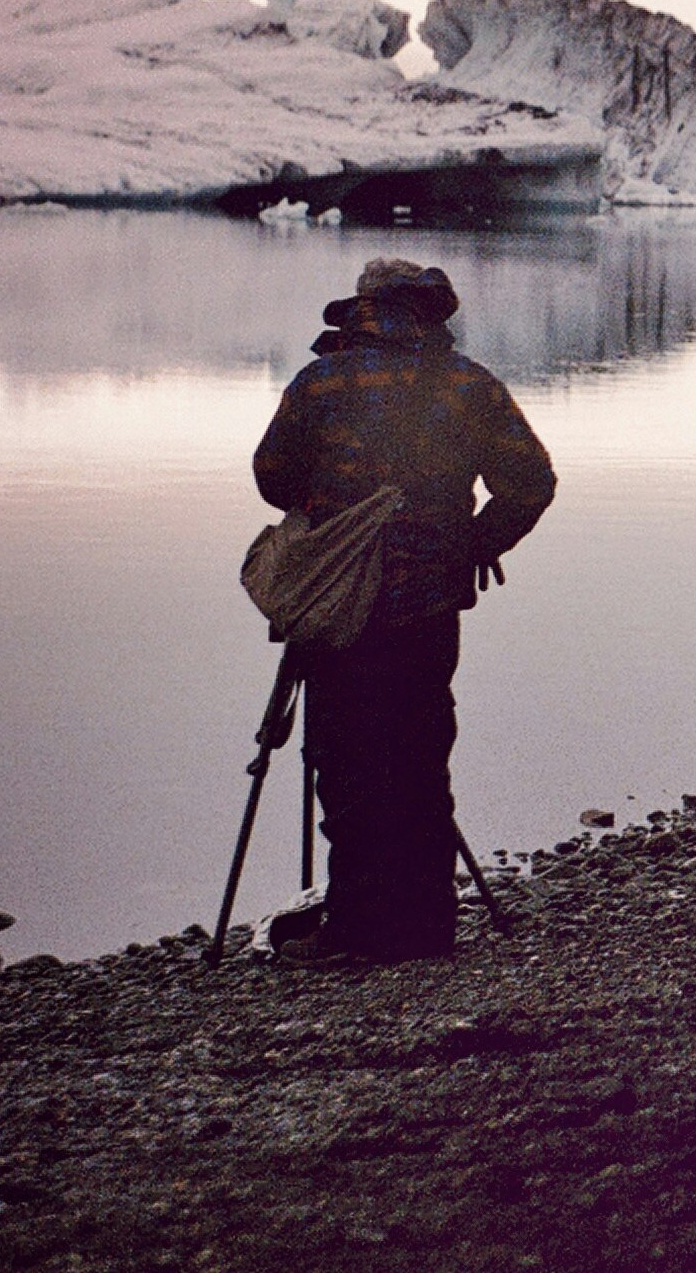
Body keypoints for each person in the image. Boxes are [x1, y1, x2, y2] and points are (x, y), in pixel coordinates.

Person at [252, 259, 555, 964]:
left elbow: (272, 480)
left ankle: (357, 929)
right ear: (429, 313)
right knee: (420, 757)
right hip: (429, 603)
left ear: (364, 307)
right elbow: (531, 481)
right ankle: (426, 927)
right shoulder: (468, 385)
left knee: (347, 765)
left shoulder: (320, 382)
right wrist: (475, 543)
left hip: (341, 601)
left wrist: (335, 494)